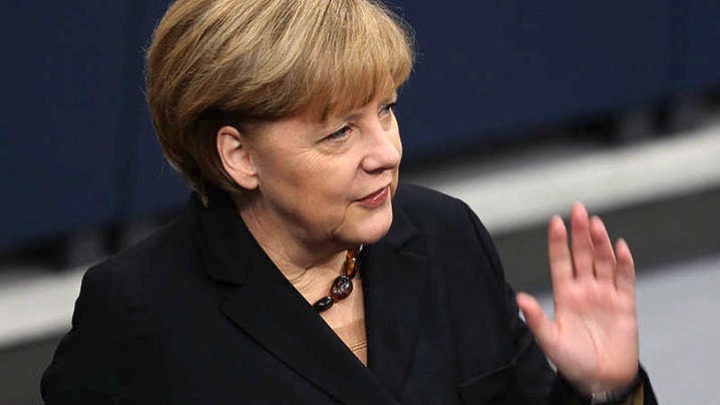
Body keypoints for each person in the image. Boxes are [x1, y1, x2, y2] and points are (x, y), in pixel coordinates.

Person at [42, 0, 657, 403]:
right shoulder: (140, 314)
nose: (386, 152)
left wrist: (602, 391)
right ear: (239, 156)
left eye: (386, 110)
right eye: (339, 132)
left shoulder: (444, 237)